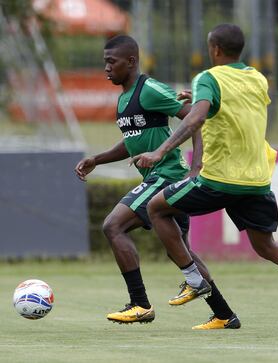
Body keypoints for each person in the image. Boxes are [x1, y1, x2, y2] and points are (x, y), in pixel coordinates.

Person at [131, 24, 278, 329]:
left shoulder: (208, 77)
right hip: (257, 180)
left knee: (156, 208)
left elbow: (197, 117)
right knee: (266, 246)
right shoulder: (257, 78)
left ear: (214, 49)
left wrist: (159, 151)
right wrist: (200, 95)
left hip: (219, 179)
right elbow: (236, 101)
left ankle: (194, 279)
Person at [75, 34, 240, 329]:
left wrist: (197, 164)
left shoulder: (148, 89)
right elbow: (132, 141)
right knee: (181, 250)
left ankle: (140, 304)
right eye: (105, 63)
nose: (107, 68)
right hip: (159, 174)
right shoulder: (125, 97)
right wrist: (97, 159)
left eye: (111, 62)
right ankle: (224, 314)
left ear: (131, 61)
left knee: (114, 226)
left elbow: (192, 116)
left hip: (167, 175)